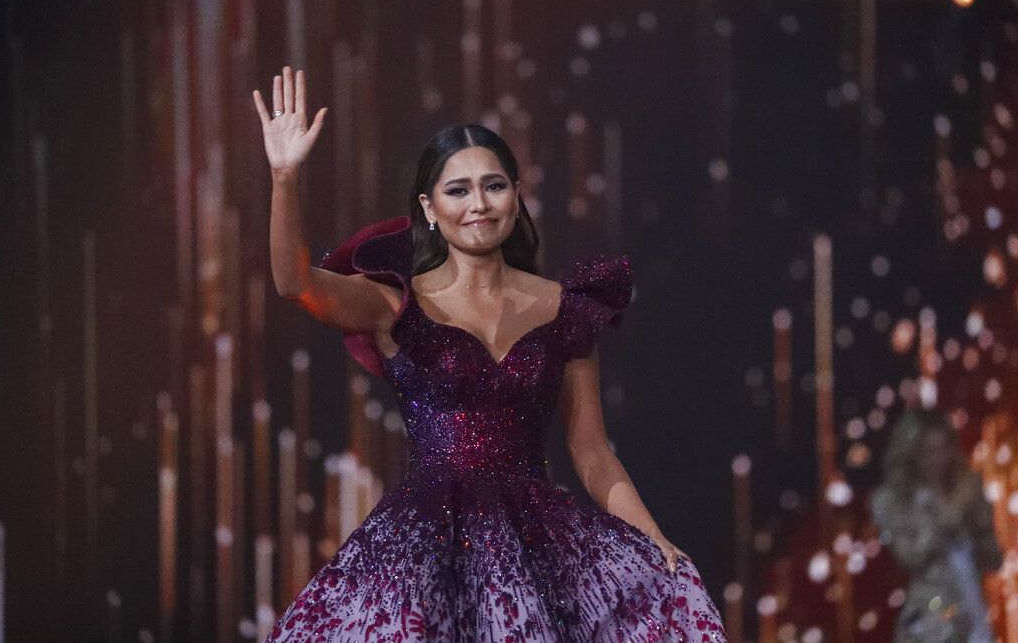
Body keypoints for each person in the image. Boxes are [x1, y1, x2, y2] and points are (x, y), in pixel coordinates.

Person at [252, 66, 727, 642]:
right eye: (458, 190)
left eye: (494, 185)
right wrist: (284, 178)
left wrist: (655, 545)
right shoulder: (394, 304)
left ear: (516, 196)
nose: (478, 203)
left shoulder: (566, 308)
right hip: (424, 550)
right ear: (429, 208)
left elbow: (593, 454)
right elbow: (293, 282)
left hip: (539, 548)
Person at [869, 407, 1002, 642]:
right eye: (927, 451)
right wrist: (941, 521)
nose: (937, 459)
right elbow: (910, 557)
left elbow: (993, 559)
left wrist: (978, 517)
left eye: (943, 449)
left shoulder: (965, 490)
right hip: (931, 607)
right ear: (911, 454)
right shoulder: (895, 501)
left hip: (972, 607)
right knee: (938, 618)